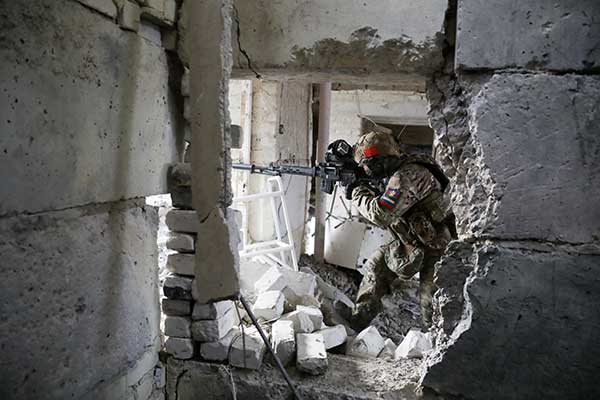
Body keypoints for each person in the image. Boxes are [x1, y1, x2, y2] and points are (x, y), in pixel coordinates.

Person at [345, 130, 455, 330]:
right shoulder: (398, 171)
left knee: (431, 303)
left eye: (366, 165)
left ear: (380, 162)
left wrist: (357, 192)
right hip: (412, 241)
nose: (365, 170)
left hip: (439, 248)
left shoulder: (406, 176)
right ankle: (355, 325)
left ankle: (435, 340)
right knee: (376, 269)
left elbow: (381, 215)